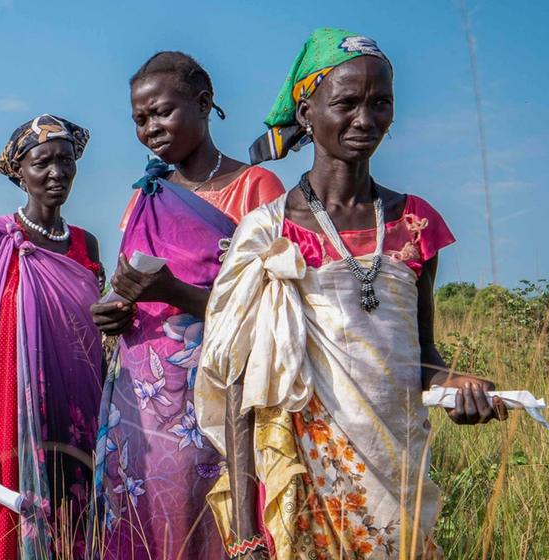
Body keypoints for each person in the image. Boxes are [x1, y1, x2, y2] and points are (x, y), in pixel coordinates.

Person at [196, 28, 505, 559]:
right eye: (347, 102)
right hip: (303, 474)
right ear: (307, 112)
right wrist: (246, 534)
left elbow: (424, 357)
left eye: (380, 103)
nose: (366, 119)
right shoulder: (266, 234)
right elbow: (238, 385)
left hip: (396, 473)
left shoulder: (415, 223)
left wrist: (459, 387)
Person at [89, 52, 284, 559]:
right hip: (142, 395)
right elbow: (124, 285)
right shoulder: (144, 196)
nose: (150, 128)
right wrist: (113, 311)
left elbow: (270, 307)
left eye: (161, 112)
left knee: (215, 516)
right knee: (146, 517)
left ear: (203, 104)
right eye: (139, 119)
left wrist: (174, 294)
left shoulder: (256, 190)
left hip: (221, 393)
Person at [0, 114, 104, 559]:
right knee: (8, 537)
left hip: (77, 418)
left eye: (66, 160)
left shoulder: (85, 245)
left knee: (74, 532)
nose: (56, 173)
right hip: (9, 420)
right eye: (42, 163)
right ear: (20, 173)